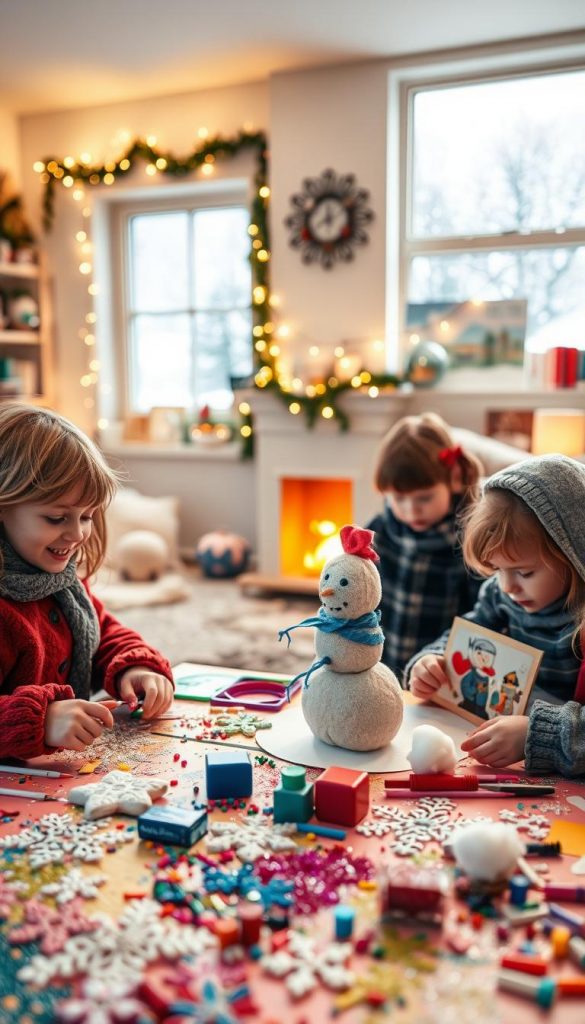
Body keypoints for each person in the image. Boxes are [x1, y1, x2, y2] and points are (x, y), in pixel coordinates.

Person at [0, 403, 174, 760]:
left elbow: (100, 630)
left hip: (57, 769)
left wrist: (133, 665)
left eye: (88, 516)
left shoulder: (60, 582)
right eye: (56, 517)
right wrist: (38, 720)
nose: (77, 533)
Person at [406, 454, 585, 775]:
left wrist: (536, 733)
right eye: (497, 570)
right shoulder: (501, 592)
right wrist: (432, 660)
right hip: (498, 746)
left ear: (573, 555)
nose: (508, 587)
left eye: (524, 572)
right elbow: (468, 634)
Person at [366, 413, 483, 677]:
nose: (411, 510)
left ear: (453, 478)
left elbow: (482, 616)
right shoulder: (380, 530)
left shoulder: (471, 538)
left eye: (424, 497)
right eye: (399, 498)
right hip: (383, 663)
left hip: (441, 671)